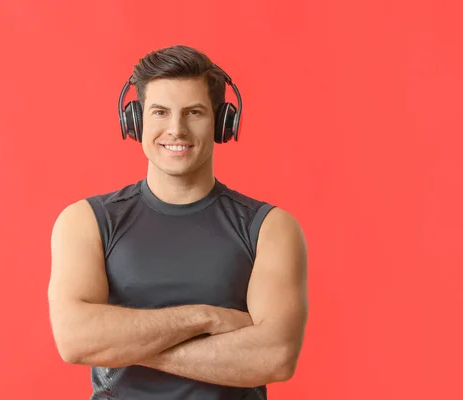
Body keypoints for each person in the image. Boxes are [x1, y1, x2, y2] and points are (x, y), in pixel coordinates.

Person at [48, 44, 309, 400]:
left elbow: (274, 357)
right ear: (136, 120)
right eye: (159, 112)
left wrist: (125, 345)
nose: (176, 129)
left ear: (221, 121)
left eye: (194, 112)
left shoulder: (270, 228)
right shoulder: (86, 221)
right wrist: (206, 319)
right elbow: (75, 339)